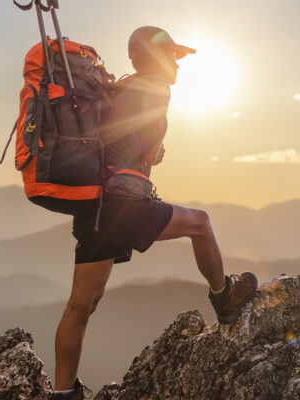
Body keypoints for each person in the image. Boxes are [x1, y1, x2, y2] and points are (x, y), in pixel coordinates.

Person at [51, 26, 258, 400]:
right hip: (125, 204)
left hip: (95, 206)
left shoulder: (118, 88)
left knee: (81, 304)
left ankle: (62, 393)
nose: (178, 65)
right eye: (173, 56)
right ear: (155, 57)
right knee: (200, 223)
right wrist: (154, 153)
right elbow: (147, 152)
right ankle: (224, 297)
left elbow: (118, 140)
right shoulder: (155, 90)